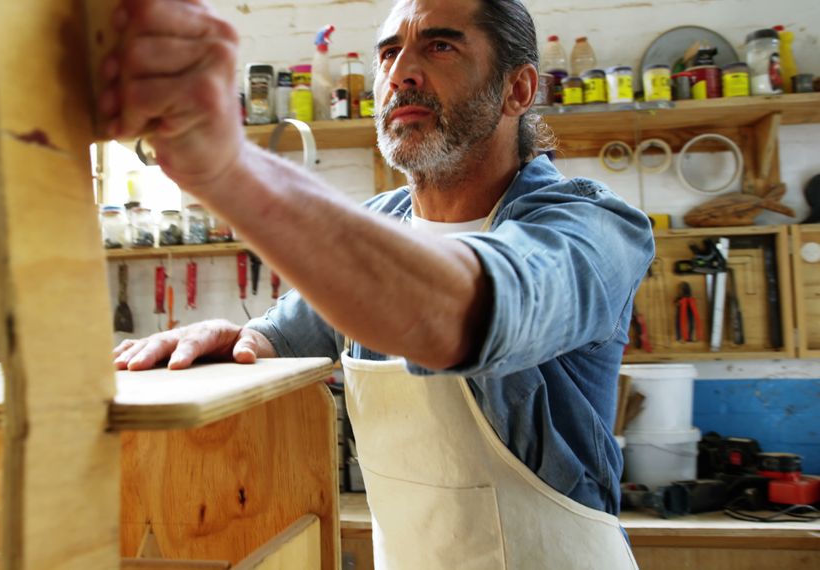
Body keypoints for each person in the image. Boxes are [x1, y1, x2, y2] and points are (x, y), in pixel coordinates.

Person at [103, 0, 652, 566]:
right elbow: (275, 339)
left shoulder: (593, 227)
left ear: (517, 89)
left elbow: (453, 311)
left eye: (440, 46)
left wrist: (225, 166)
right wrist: (230, 341)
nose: (401, 73)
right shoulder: (378, 226)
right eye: (389, 53)